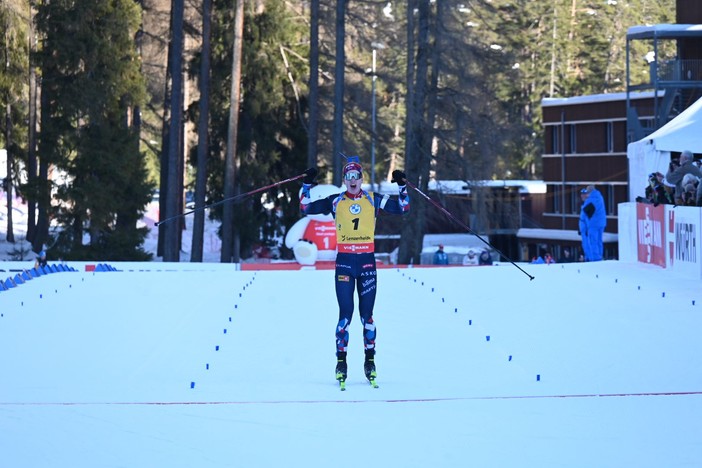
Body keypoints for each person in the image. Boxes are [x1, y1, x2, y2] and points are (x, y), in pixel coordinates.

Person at [299, 157, 410, 387]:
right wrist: (307, 184)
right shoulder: (335, 201)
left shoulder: (373, 199)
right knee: (345, 315)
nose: (352, 180)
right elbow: (305, 207)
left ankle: (370, 362)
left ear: (361, 179)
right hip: (345, 265)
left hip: (368, 265)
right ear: (344, 180)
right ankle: (341, 362)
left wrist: (402, 185)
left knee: (366, 316)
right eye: (348, 176)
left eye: (355, 176)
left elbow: (403, 207)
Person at [579, 185, 606, 261]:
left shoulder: (590, 200)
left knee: (592, 241)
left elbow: (584, 215)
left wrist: (582, 227)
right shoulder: (600, 197)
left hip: (593, 224)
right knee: (599, 241)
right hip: (601, 223)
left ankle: (595, 258)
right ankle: (599, 256)